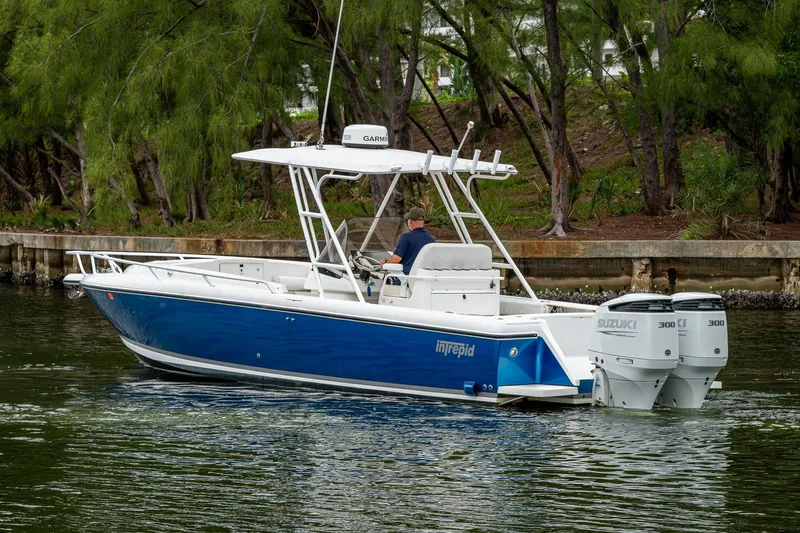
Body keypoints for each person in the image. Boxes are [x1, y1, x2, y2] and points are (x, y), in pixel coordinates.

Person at [380, 207, 436, 275]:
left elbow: (397, 258)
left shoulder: (406, 237)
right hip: (423, 276)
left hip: (406, 277)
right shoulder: (431, 239)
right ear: (423, 221)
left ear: (410, 221)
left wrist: (386, 263)